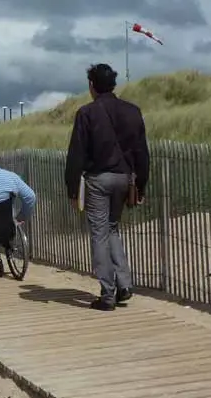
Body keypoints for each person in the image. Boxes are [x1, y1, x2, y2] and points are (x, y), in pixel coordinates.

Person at [64, 63, 150, 311]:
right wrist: (141, 185)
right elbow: (142, 152)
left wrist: (72, 189)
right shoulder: (133, 111)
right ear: (113, 84)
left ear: (91, 85)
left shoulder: (86, 113)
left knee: (99, 233)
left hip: (99, 179)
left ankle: (107, 294)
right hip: (125, 178)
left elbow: (76, 154)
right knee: (113, 229)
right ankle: (124, 284)